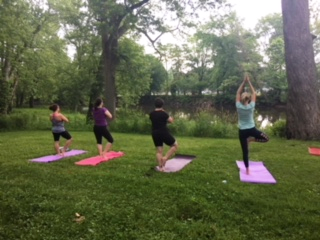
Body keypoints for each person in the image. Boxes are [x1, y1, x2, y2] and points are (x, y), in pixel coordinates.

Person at [236, 75, 269, 175]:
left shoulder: (238, 106)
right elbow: (254, 92)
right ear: (249, 99)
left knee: (245, 152)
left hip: (242, 131)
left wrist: (243, 82)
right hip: (252, 130)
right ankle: (252, 139)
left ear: (241, 99)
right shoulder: (251, 106)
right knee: (266, 139)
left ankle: (247, 170)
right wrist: (249, 82)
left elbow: (238, 92)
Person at [149, 98, 178, 172]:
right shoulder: (164, 113)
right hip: (163, 132)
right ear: (162, 105)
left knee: (159, 151)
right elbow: (171, 121)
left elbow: (156, 120)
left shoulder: (151, 114)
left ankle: (161, 168)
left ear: (155, 105)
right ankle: (165, 158)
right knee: (175, 145)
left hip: (154, 133)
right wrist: (167, 114)